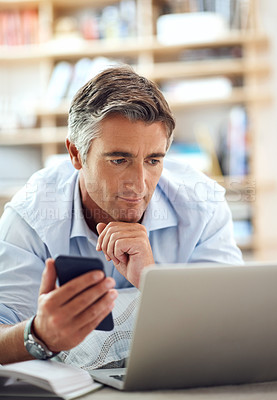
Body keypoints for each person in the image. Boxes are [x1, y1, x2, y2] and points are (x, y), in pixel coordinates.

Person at [0, 65, 242, 366]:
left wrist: (153, 281)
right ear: (76, 154)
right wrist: (39, 334)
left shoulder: (202, 205)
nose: (139, 184)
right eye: (119, 159)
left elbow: (232, 326)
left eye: (153, 160)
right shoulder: (30, 216)